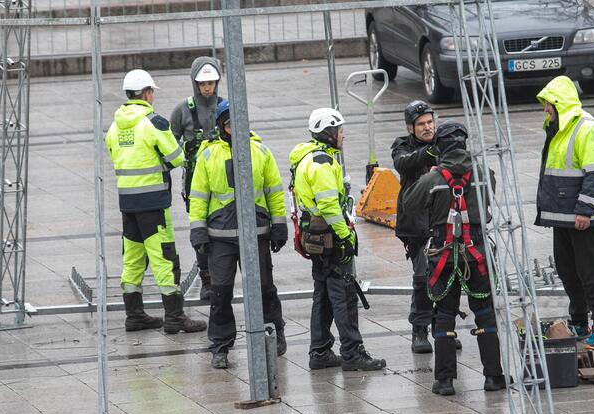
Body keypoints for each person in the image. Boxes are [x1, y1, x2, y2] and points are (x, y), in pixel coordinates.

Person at [404, 121, 507, 396]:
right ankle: (494, 376)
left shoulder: (431, 179)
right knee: (485, 314)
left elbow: (408, 204)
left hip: (443, 258)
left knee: (444, 315)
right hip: (477, 256)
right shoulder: (483, 173)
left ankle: (445, 381)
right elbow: (489, 200)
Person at [105, 69, 207, 334]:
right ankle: (175, 317)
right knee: (164, 259)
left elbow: (112, 151)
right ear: (147, 93)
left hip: (127, 204)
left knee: (133, 259)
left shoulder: (116, 126)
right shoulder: (153, 122)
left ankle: (134, 315)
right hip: (153, 203)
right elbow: (175, 156)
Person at [189, 100, 288, 369]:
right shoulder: (208, 155)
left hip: (256, 233)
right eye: (231, 124)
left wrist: (279, 225)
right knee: (220, 293)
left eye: (240, 123)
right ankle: (220, 346)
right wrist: (198, 232)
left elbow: (274, 191)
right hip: (220, 237)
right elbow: (198, 197)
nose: (236, 129)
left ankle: (274, 332)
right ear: (223, 126)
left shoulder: (261, 152)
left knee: (265, 288)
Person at [289, 107, 386, 372]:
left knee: (322, 294)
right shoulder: (322, 163)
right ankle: (353, 352)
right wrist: (345, 237)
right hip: (330, 237)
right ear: (329, 133)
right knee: (343, 294)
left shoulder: (309, 157)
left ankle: (319, 351)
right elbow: (330, 206)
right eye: (340, 130)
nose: (344, 134)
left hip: (316, 237)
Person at [535, 75, 594, 348]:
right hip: (563, 216)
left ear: (559, 103)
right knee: (567, 270)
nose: (545, 110)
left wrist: (585, 210)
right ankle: (578, 321)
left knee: (590, 271)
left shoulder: (587, 129)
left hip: (582, 216)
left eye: (548, 104)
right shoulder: (558, 130)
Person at [170, 57, 225, 301]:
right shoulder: (183, 110)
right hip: (194, 181)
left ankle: (222, 273)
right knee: (199, 228)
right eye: (202, 83)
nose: (207, 88)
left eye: (211, 82)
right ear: (195, 83)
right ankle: (207, 279)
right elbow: (169, 143)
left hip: (223, 178)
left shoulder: (225, 106)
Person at [391, 100, 441, 354]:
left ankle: (443, 327)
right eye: (421, 124)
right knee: (423, 277)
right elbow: (403, 163)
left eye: (430, 122)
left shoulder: (445, 140)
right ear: (411, 128)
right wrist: (429, 153)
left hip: (442, 219)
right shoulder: (402, 146)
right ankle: (419, 330)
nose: (427, 127)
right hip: (416, 225)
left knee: (444, 276)